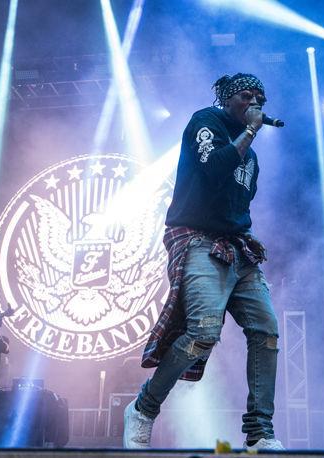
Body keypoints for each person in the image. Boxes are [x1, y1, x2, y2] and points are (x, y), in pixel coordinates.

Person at [123, 73, 284, 451]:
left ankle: (260, 432)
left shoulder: (252, 156)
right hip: (197, 239)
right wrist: (250, 134)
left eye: (260, 97)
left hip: (237, 247)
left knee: (267, 330)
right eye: (246, 96)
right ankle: (143, 409)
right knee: (202, 332)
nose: (254, 103)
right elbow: (213, 168)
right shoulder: (206, 122)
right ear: (227, 99)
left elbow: (240, 203)